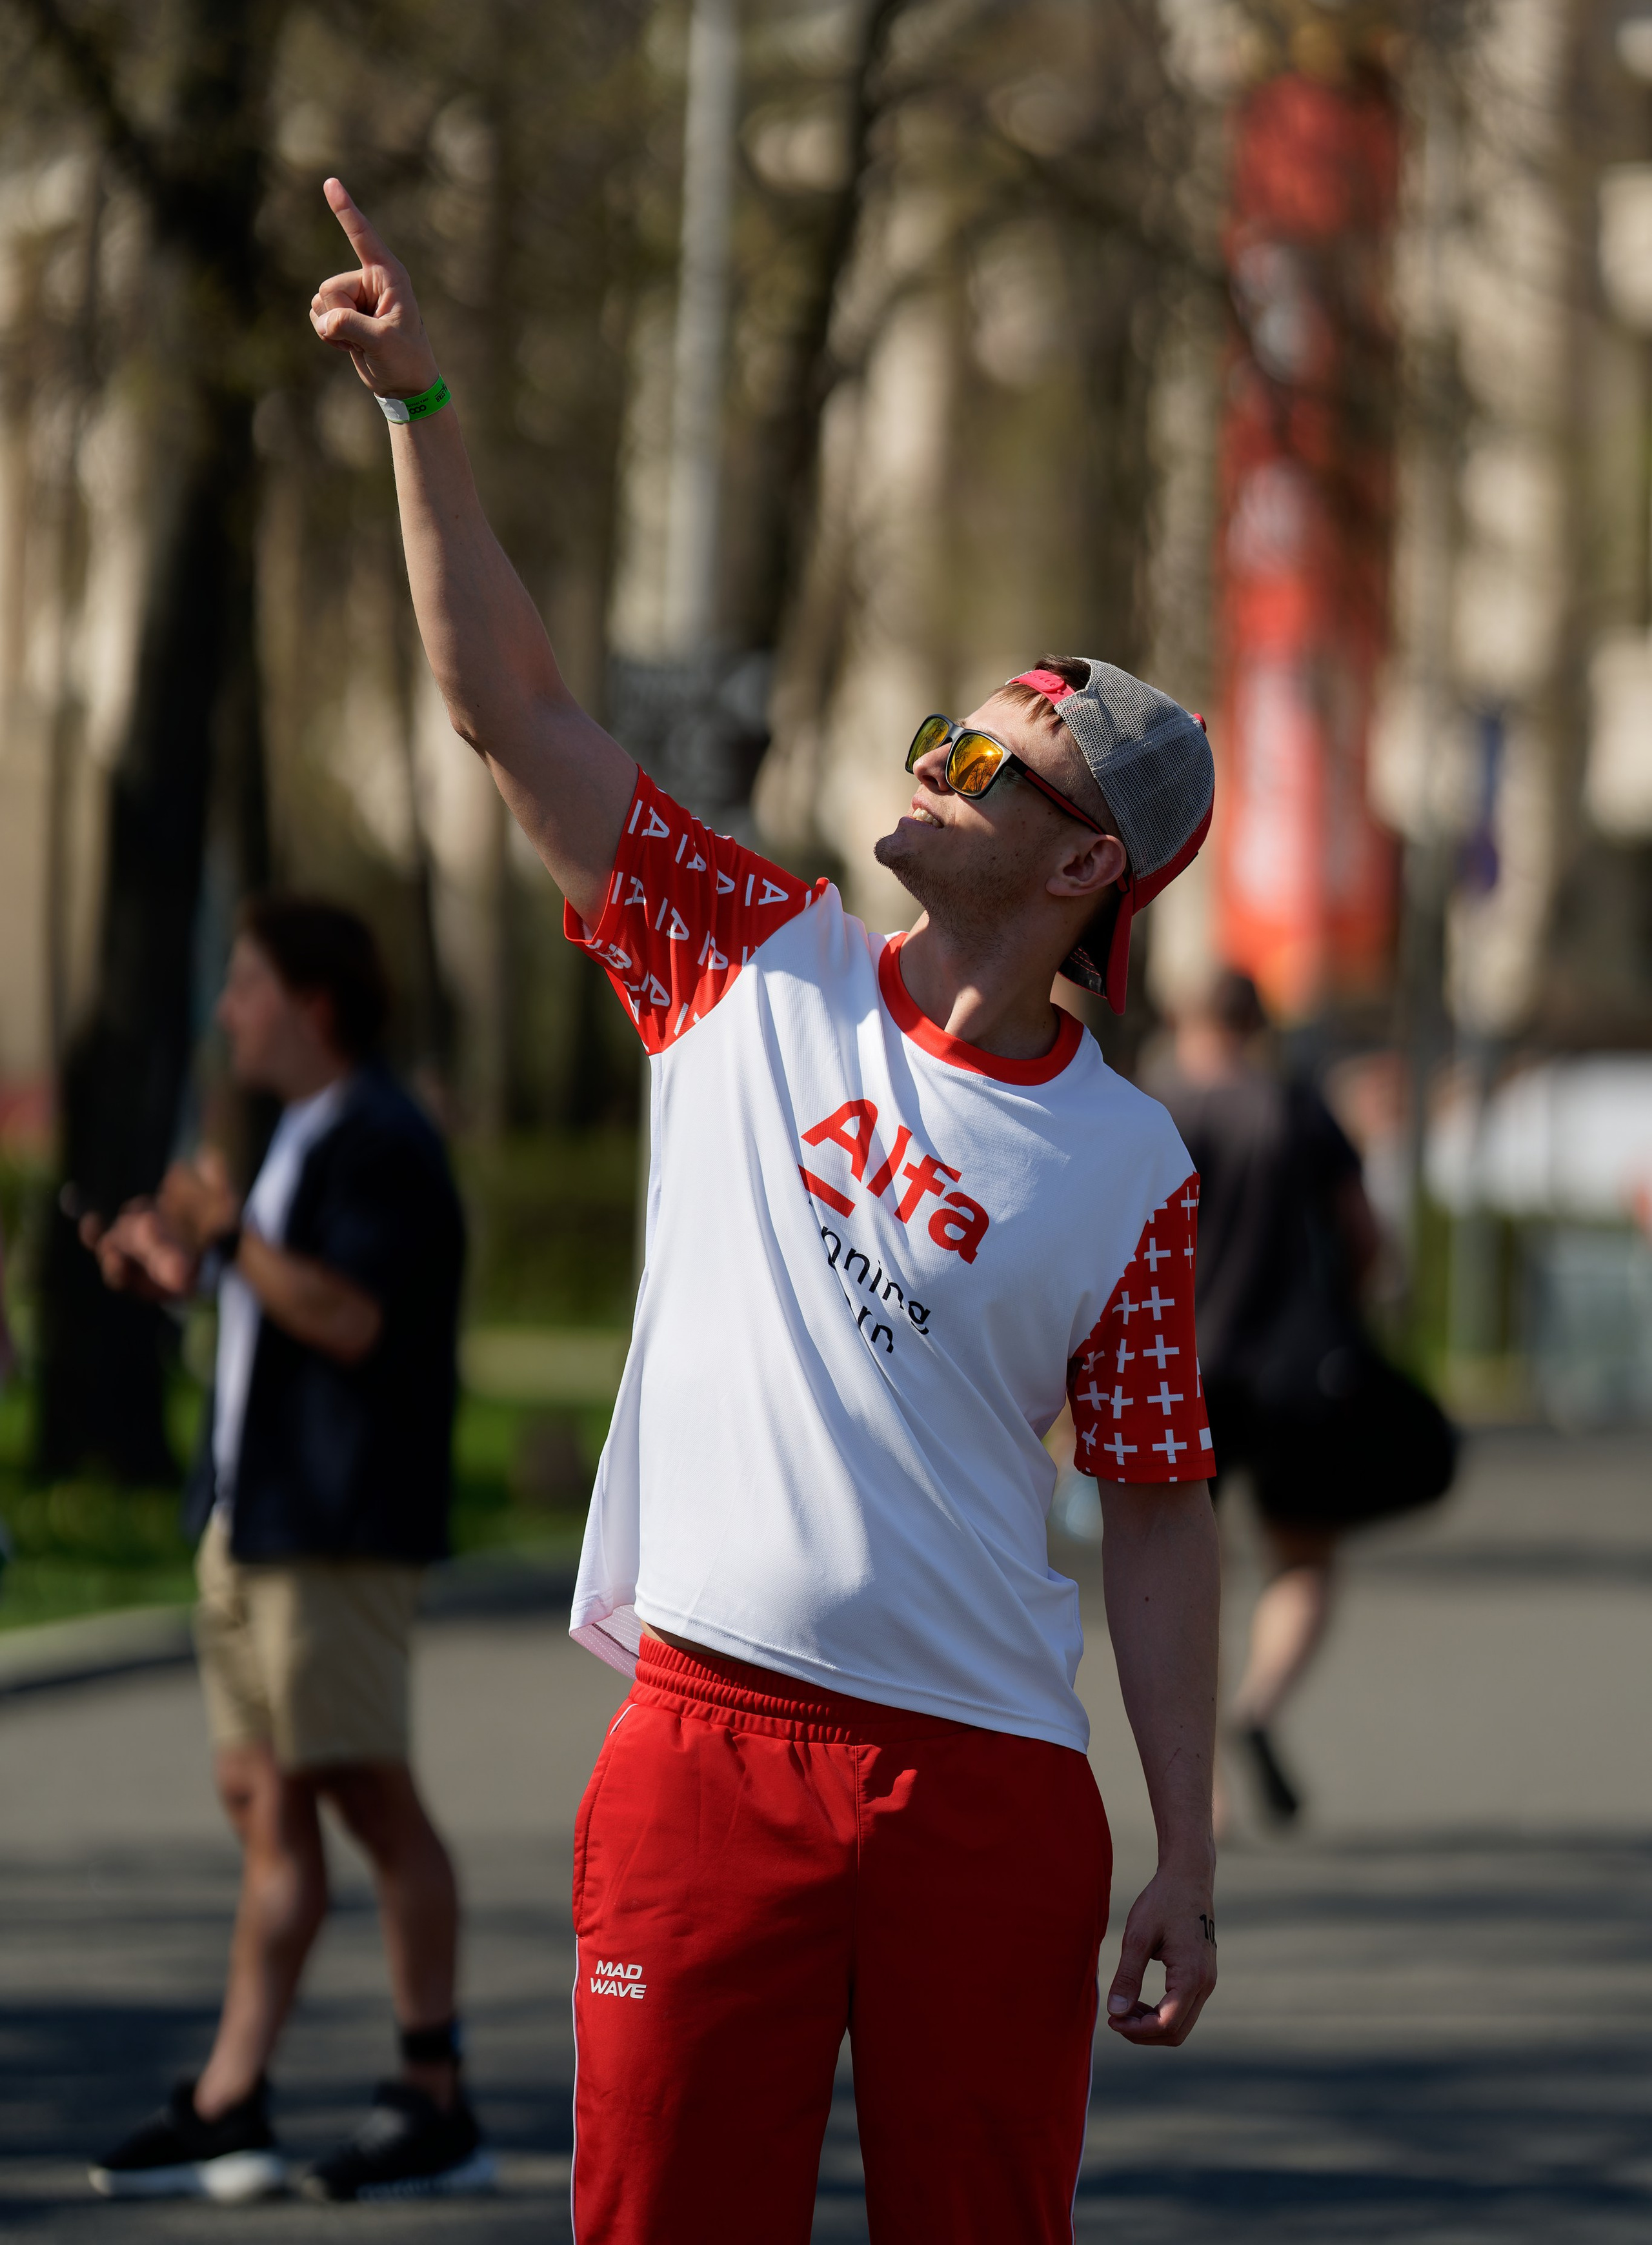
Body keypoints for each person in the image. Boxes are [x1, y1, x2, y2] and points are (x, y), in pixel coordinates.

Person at [309, 177, 1222, 2245]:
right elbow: (510, 706)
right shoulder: (748, 955)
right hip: (706, 1751)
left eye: (990, 755)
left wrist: (1188, 1843)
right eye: (943, 729)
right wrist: (420, 407)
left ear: (1088, 871)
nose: (936, 758)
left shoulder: (1130, 1166)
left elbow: (1160, 1506)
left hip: (988, 1794)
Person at [81, 897, 488, 2204]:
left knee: (370, 1799)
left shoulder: (382, 1139)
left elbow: (350, 1317)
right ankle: (229, 2100)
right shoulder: (301, 1138)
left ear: (313, 1005)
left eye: (247, 984)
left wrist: (221, 1237)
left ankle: (435, 2097)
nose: (227, 1007)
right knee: (266, 1808)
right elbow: (272, 1297)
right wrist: (184, 1271)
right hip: (252, 1525)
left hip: (335, 1531)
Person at [1145, 968, 1384, 1827]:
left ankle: (1196, 1782)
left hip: (1173, 1372)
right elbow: (1366, 1237)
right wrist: (1346, 1313)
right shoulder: (1296, 1109)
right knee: (1305, 1558)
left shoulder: (1151, 1109)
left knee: (1178, 1572)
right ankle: (1259, 1707)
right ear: (1259, 1022)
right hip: (1292, 1371)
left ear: (1185, 1015)